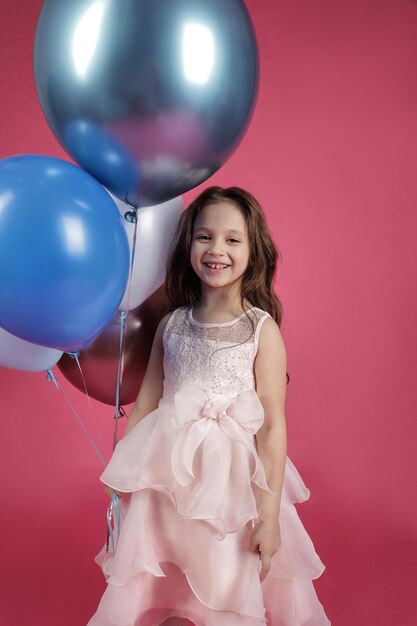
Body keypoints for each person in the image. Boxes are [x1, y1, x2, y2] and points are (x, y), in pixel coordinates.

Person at [87, 187, 330, 626]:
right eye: (205, 237)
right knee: (157, 574)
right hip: (168, 483)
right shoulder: (173, 324)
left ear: (253, 251)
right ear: (188, 245)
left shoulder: (261, 329)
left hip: (232, 489)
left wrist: (270, 517)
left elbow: (272, 426)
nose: (217, 250)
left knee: (224, 580)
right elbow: (145, 404)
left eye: (232, 240)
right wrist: (120, 474)